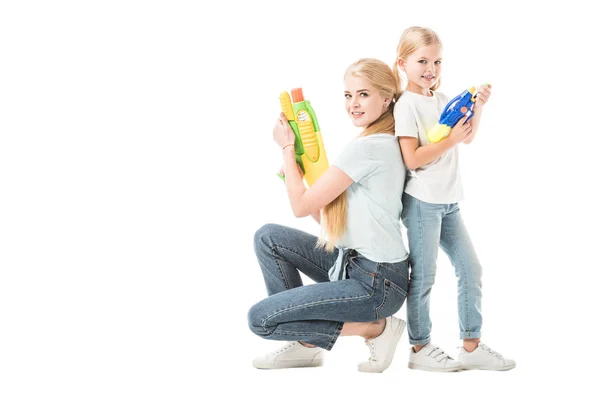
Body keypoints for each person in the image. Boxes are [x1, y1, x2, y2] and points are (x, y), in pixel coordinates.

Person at [248, 58, 409, 373]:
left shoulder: (369, 147)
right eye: (348, 95)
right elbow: (332, 222)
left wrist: (286, 149)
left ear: (387, 97)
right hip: (355, 264)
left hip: (376, 285)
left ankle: (374, 329)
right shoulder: (373, 141)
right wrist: (295, 176)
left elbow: (300, 207)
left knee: (262, 320)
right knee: (269, 237)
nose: (353, 104)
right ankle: (304, 343)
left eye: (363, 94)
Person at [392, 26, 515, 371]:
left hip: (449, 201)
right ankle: (419, 349)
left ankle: (471, 344)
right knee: (425, 276)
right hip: (421, 202)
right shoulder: (406, 105)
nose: (431, 68)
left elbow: (469, 137)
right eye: (422, 61)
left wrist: (479, 108)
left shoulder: (443, 99)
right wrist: (450, 141)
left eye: (437, 61)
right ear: (403, 63)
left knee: (470, 268)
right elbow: (412, 158)